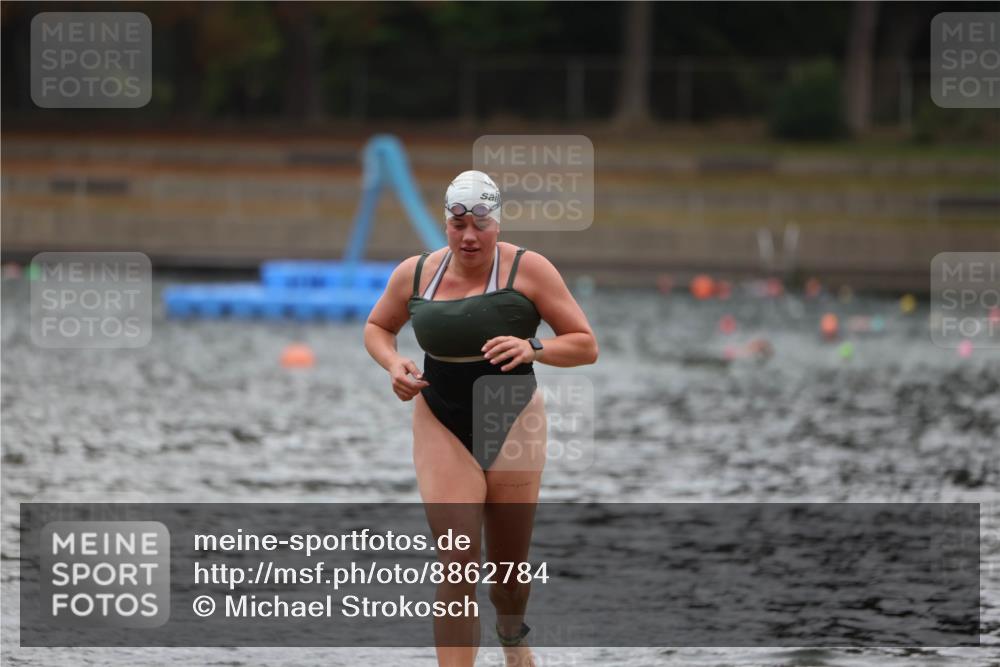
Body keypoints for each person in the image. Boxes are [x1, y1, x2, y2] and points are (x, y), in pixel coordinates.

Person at [364, 170, 598, 667]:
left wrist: (533, 346)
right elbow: (378, 326)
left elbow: (584, 344)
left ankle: (513, 637)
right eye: (458, 223)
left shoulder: (531, 271)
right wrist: (393, 364)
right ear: (445, 223)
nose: (469, 235)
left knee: (508, 574)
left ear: (497, 222)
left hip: (511, 416)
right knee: (456, 563)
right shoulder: (416, 272)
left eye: (481, 223)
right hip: (439, 414)